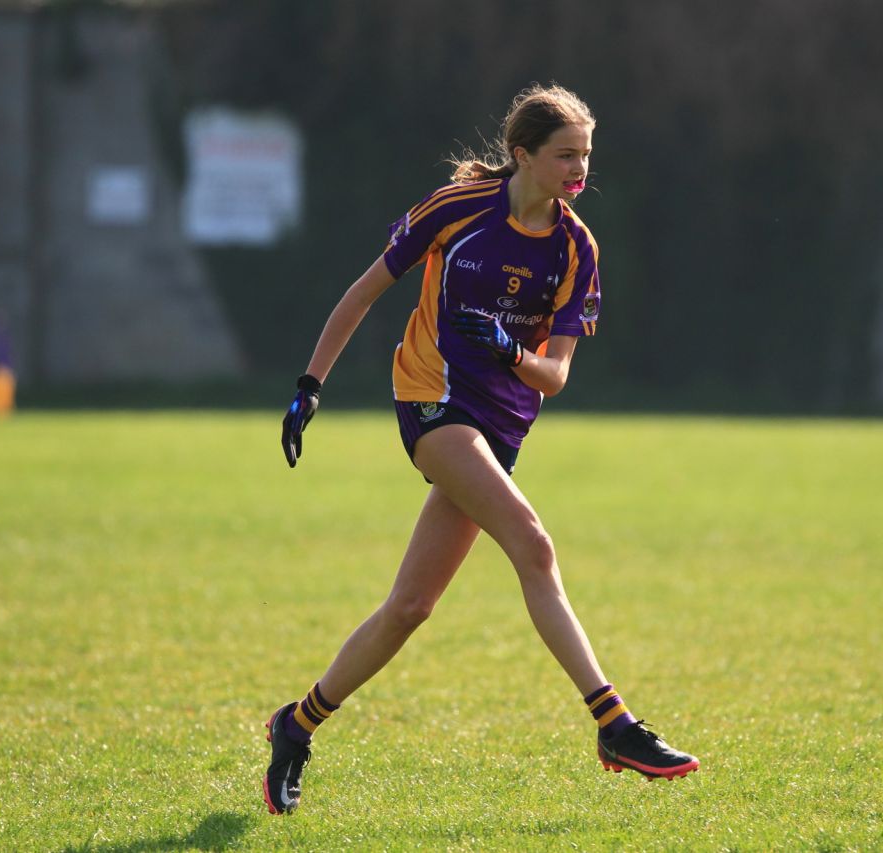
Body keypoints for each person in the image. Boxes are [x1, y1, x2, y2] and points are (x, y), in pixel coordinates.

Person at [264, 83, 698, 815]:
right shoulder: (456, 211)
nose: (579, 169)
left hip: (501, 424)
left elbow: (555, 375)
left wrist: (510, 351)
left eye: (586, 156)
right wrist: (312, 382)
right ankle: (613, 722)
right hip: (431, 401)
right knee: (534, 544)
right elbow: (366, 289)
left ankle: (295, 724)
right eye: (565, 155)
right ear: (522, 154)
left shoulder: (576, 248)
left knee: (409, 607)